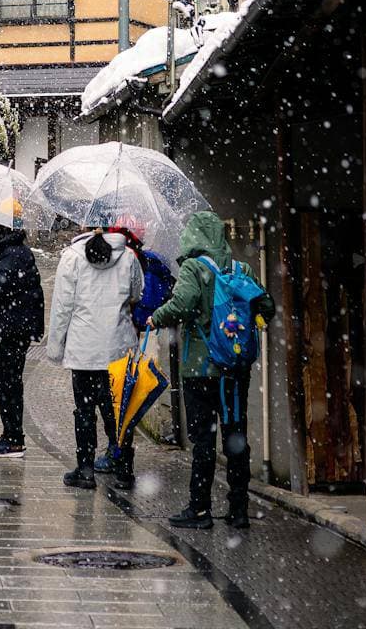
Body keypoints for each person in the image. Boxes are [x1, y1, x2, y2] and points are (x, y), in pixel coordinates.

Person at [148, 210, 275, 531]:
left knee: (203, 440)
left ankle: (200, 509)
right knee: (236, 437)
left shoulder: (194, 268)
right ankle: (238, 510)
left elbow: (183, 303)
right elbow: (266, 306)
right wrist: (247, 327)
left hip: (200, 371)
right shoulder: (240, 268)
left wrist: (156, 317)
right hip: (234, 370)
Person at [46, 227, 143, 490]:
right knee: (119, 411)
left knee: (85, 411)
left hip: (84, 350)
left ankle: (86, 469)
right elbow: (136, 294)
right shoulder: (128, 256)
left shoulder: (72, 256)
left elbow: (62, 306)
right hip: (118, 349)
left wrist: (55, 347)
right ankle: (124, 470)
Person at [0, 221, 45, 456]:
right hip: (13, 327)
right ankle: (11, 434)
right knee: (6, 380)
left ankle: (14, 439)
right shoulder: (11, 251)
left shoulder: (14, 253)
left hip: (15, 328)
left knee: (7, 381)